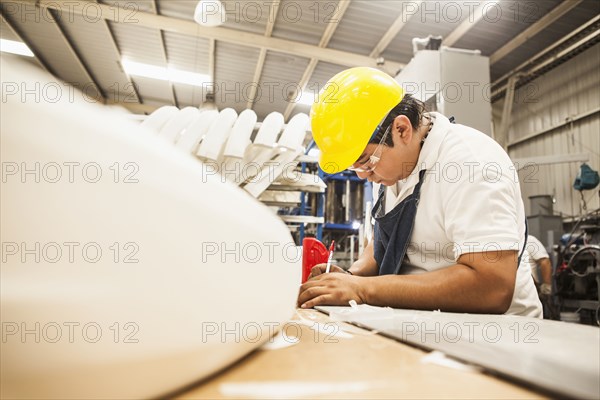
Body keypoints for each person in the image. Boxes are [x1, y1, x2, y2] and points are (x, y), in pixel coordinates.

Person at [298, 67, 542, 317]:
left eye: (365, 162)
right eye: (354, 166)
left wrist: (363, 288)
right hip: (423, 321)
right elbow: (384, 240)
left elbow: (491, 288)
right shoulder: (389, 167)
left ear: (401, 129)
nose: (361, 175)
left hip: (497, 335)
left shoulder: (471, 163)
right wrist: (351, 275)